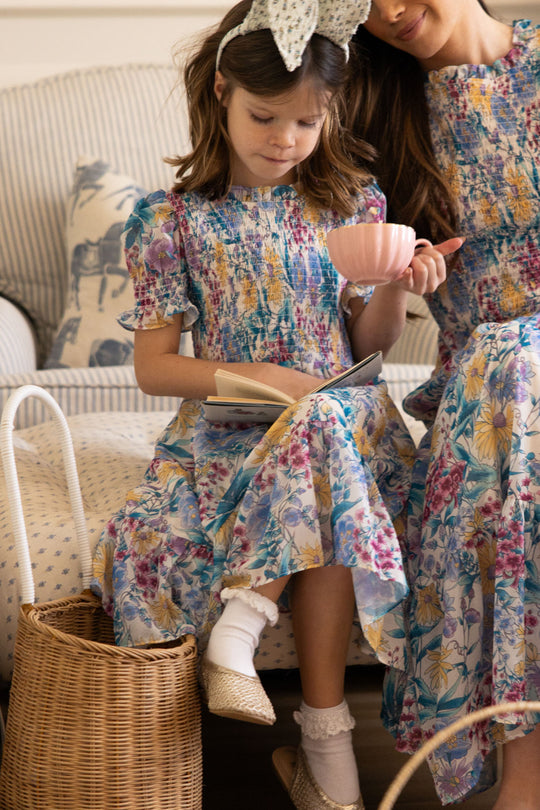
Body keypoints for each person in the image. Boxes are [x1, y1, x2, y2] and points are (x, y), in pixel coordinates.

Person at [91, 1, 460, 807]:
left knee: (326, 427)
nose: (284, 140)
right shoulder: (171, 220)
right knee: (316, 441)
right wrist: (261, 377)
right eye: (265, 116)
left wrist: (395, 284)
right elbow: (155, 370)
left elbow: (368, 341)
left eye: (306, 122)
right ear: (220, 90)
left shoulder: (353, 204)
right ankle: (326, 764)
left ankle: (246, 634)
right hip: (235, 429)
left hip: (341, 422)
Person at [349, 2, 540, 807]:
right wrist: (400, 273)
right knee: (509, 367)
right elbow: (366, 327)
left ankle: (523, 782)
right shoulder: (373, 113)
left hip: (514, 386)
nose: (390, 10)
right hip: (488, 391)